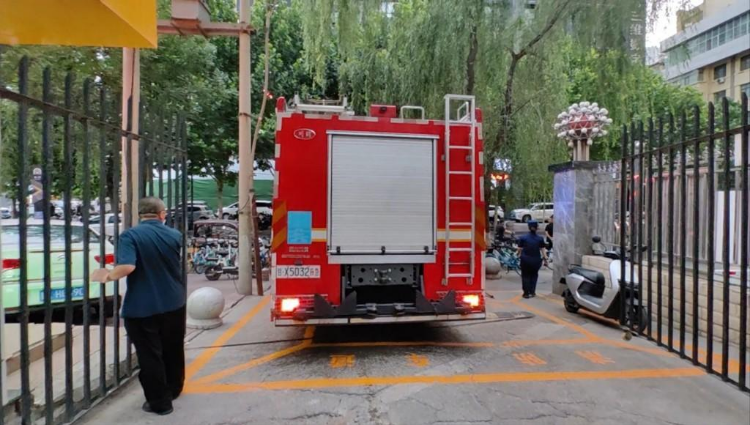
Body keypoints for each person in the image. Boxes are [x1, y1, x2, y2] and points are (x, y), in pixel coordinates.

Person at [91, 197, 185, 416]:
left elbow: (127, 266)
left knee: (150, 354)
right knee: (172, 348)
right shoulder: (174, 235)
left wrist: (107, 275)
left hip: (143, 307)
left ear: (140, 215)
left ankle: (160, 403)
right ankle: (174, 388)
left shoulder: (130, 236)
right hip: (174, 302)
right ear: (162, 214)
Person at [516, 220, 548, 299]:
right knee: (534, 275)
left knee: (525, 276)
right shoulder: (540, 238)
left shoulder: (523, 238)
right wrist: (545, 259)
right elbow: (543, 250)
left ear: (529, 227)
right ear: (537, 227)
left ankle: (526, 293)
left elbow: (519, 249)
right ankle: (532, 292)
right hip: (536, 260)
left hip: (525, 260)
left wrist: (517, 254)